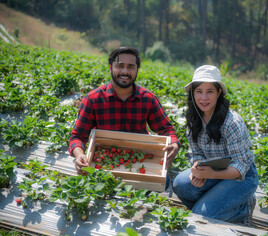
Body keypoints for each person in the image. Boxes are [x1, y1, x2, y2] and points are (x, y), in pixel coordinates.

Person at [69, 47, 180, 175]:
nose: (125, 71)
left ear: (137, 70)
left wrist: (174, 144)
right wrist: (79, 154)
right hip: (103, 162)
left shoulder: (148, 99)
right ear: (110, 67)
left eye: (131, 67)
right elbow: (77, 137)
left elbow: (167, 130)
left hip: (139, 162)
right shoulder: (92, 99)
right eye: (120, 66)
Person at [172, 65, 258, 225]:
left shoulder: (232, 123)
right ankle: (216, 207)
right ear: (193, 93)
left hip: (242, 178)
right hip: (212, 171)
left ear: (219, 93)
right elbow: (195, 154)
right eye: (199, 91)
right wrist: (197, 170)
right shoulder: (193, 119)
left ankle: (243, 209)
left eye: (209, 91)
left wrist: (209, 174)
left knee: (200, 214)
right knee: (179, 184)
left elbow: (241, 167)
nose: (203, 98)